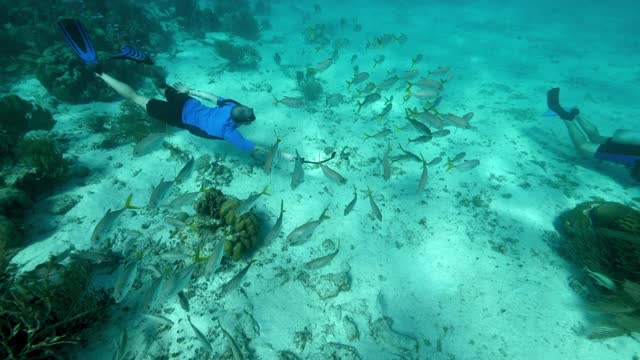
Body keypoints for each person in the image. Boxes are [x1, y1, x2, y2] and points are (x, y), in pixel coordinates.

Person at [57, 18, 271, 154]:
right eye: (247, 107)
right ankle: (143, 62)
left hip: (180, 117)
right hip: (188, 102)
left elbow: (255, 147)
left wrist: (281, 155)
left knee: (136, 98)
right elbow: (212, 96)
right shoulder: (232, 104)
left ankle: (100, 72)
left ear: (240, 121)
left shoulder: (230, 132)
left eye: (245, 112)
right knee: (161, 86)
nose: (244, 107)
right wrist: (190, 90)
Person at [546, 88, 640, 181]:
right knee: (583, 146)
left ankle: (576, 113)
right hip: (634, 156)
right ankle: (562, 113)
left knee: (597, 138)